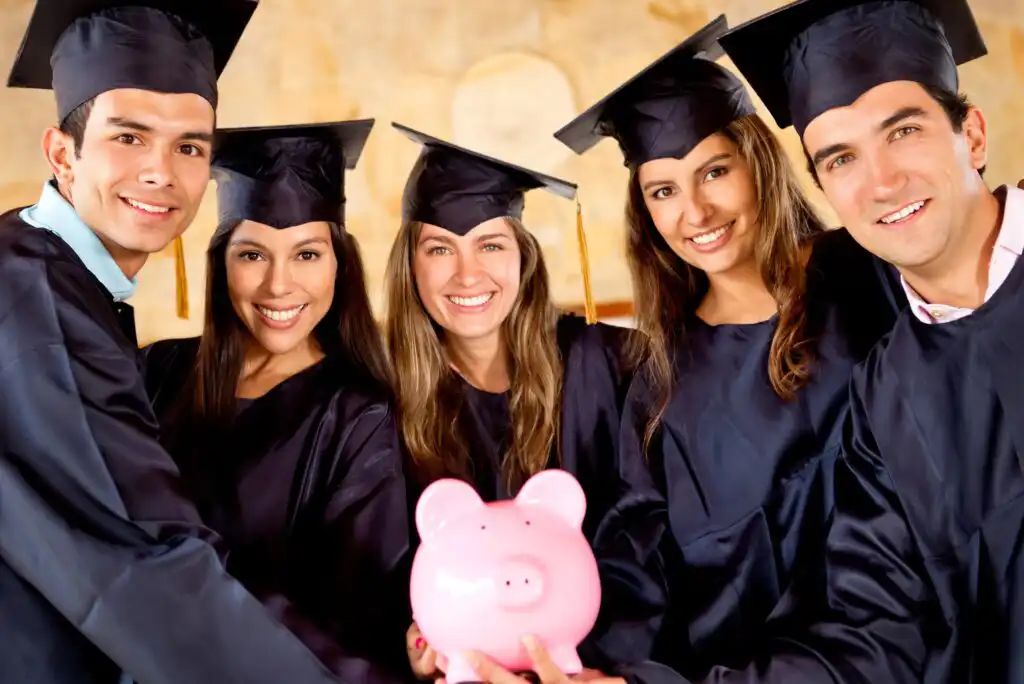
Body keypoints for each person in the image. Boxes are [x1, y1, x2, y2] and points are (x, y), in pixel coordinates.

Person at [536, 15, 903, 684]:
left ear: (757, 163)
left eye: (715, 172)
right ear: (645, 212)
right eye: (664, 191)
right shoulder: (659, 375)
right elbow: (638, 560)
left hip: (909, 639)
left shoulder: (865, 272)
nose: (695, 213)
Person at [0, 1, 348, 682]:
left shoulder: (53, 281)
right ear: (61, 153)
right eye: (128, 138)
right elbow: (147, 561)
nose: (161, 171)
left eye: (190, 146)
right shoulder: (37, 305)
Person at [720, 0, 1024, 680]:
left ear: (971, 135)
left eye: (904, 130)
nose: (882, 182)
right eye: (840, 159)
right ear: (825, 188)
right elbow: (874, 637)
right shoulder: (884, 402)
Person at [142, 120, 413, 684]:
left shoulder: (358, 414)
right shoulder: (159, 369)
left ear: (340, 263)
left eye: (307, 255)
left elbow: (356, 614)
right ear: (221, 263)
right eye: (252, 255)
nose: (279, 286)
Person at [383, 123, 632, 683]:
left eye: (490, 245)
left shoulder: (605, 365)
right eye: (439, 249)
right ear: (411, 267)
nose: (467, 273)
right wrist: (415, 635)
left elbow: (641, 535)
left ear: (523, 256)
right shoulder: (379, 399)